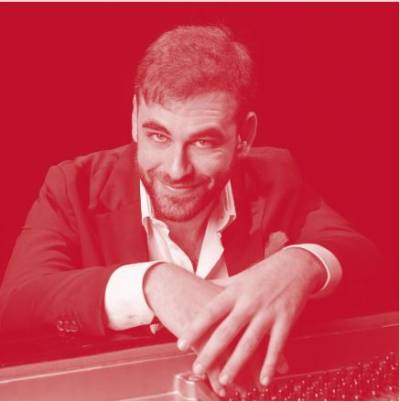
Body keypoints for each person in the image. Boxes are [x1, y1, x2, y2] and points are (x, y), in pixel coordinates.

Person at [0, 25, 380, 396]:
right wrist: (152, 283)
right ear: (133, 118)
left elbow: (361, 256)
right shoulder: (72, 185)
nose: (176, 170)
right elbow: (17, 301)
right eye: (158, 136)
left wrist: (300, 265)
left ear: (244, 136)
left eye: (203, 142)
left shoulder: (277, 174)